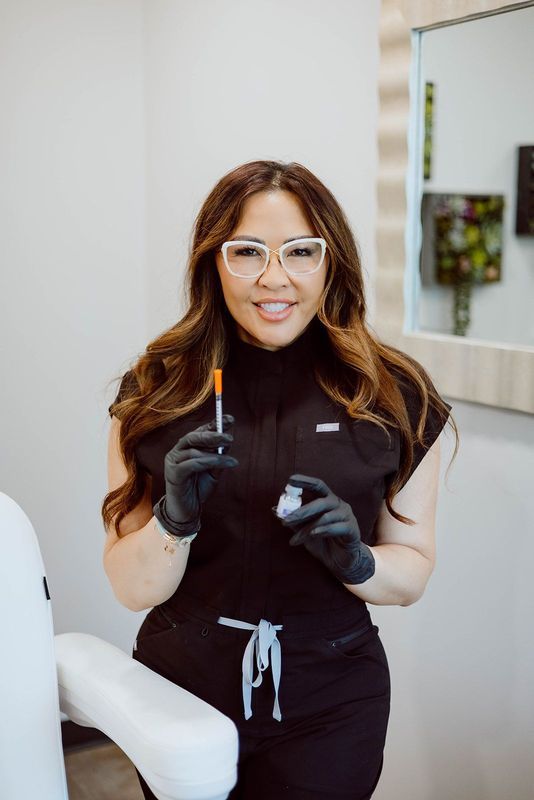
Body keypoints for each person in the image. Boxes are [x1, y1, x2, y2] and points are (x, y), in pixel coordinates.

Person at [102, 159, 458, 800]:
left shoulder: (396, 397)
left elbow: (412, 574)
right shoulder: (156, 390)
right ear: (214, 260)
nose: (275, 278)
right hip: (179, 693)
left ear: (333, 261)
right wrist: (172, 522)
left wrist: (358, 561)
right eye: (247, 252)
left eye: (301, 252)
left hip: (332, 700)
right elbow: (131, 587)